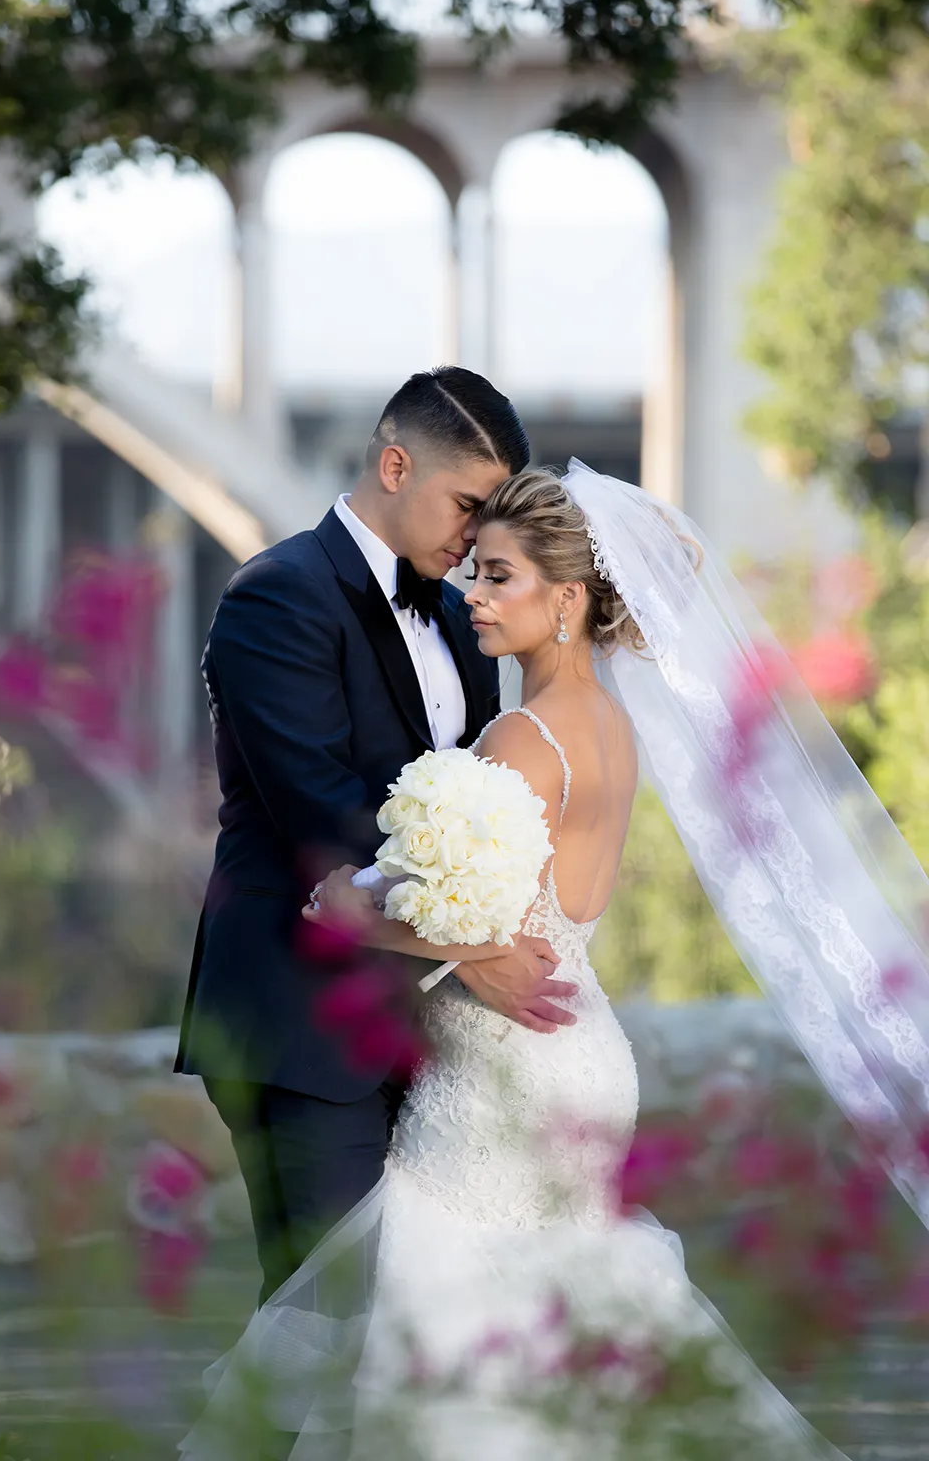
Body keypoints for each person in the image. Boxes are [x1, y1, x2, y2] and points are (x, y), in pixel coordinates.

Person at [174, 461, 929, 1460]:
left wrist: (353, 913)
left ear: (567, 598)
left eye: (497, 577)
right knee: (564, 1314)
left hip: (506, 1070)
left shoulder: (521, 741)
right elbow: (509, 916)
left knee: (456, 1315)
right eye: (474, 573)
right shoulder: (607, 727)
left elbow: (467, 922)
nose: (469, 595)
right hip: (576, 1043)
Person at [174, 369, 577, 1321]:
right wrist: (474, 951)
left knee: (418, 1327)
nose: (475, 538)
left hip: (426, 1035)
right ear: (396, 464)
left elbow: (481, 803)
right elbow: (325, 820)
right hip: (300, 1022)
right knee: (327, 1320)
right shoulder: (276, 596)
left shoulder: (449, 610)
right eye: (467, 505)